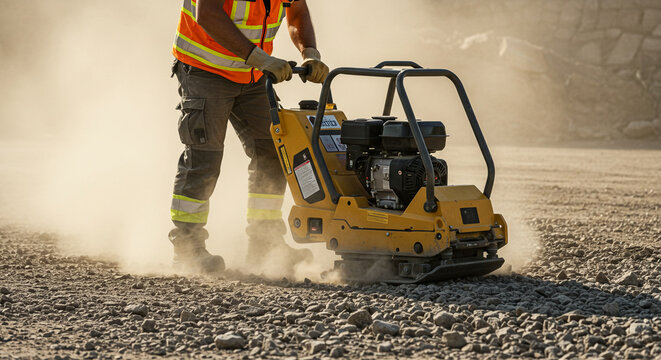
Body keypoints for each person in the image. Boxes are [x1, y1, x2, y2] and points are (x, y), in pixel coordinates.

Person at [168, 0, 329, 273]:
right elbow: (207, 13)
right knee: (203, 159)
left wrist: (309, 51)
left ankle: (265, 244)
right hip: (206, 70)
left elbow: (297, 11)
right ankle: (187, 248)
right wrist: (260, 58)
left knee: (274, 152)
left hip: (253, 74)